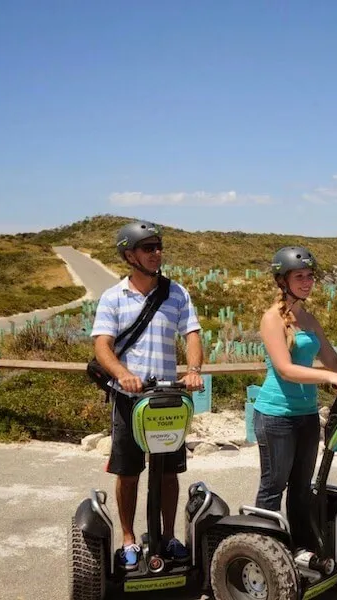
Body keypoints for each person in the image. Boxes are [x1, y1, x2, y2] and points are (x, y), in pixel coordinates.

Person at [91, 220, 204, 570]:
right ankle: (128, 539)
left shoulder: (177, 293)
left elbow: (192, 334)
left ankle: (168, 536)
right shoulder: (113, 297)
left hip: (167, 398)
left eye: (158, 247)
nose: (157, 253)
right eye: (148, 248)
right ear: (129, 255)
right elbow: (102, 346)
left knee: (169, 473)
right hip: (129, 401)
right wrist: (123, 374)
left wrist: (194, 369)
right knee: (128, 473)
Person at [254, 246, 337, 549]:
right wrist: (329, 378)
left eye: (310, 276)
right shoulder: (272, 319)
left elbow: (334, 361)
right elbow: (285, 369)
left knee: (301, 488)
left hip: (306, 415)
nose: (307, 282)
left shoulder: (309, 319)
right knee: (274, 487)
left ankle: (299, 548)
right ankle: (265, 548)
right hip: (276, 415)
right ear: (282, 280)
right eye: (300, 276)